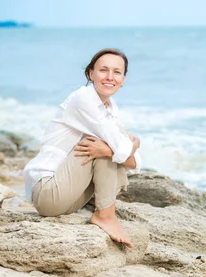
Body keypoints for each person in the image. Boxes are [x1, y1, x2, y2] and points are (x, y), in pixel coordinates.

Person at [23, 48, 141, 248]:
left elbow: (135, 162)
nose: (110, 77)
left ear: (123, 79)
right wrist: (131, 146)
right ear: (90, 74)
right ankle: (105, 216)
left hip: (72, 199)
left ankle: (104, 214)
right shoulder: (83, 98)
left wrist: (118, 150)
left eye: (117, 72)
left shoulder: (110, 109)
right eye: (103, 70)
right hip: (48, 192)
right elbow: (123, 151)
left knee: (105, 148)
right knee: (101, 146)